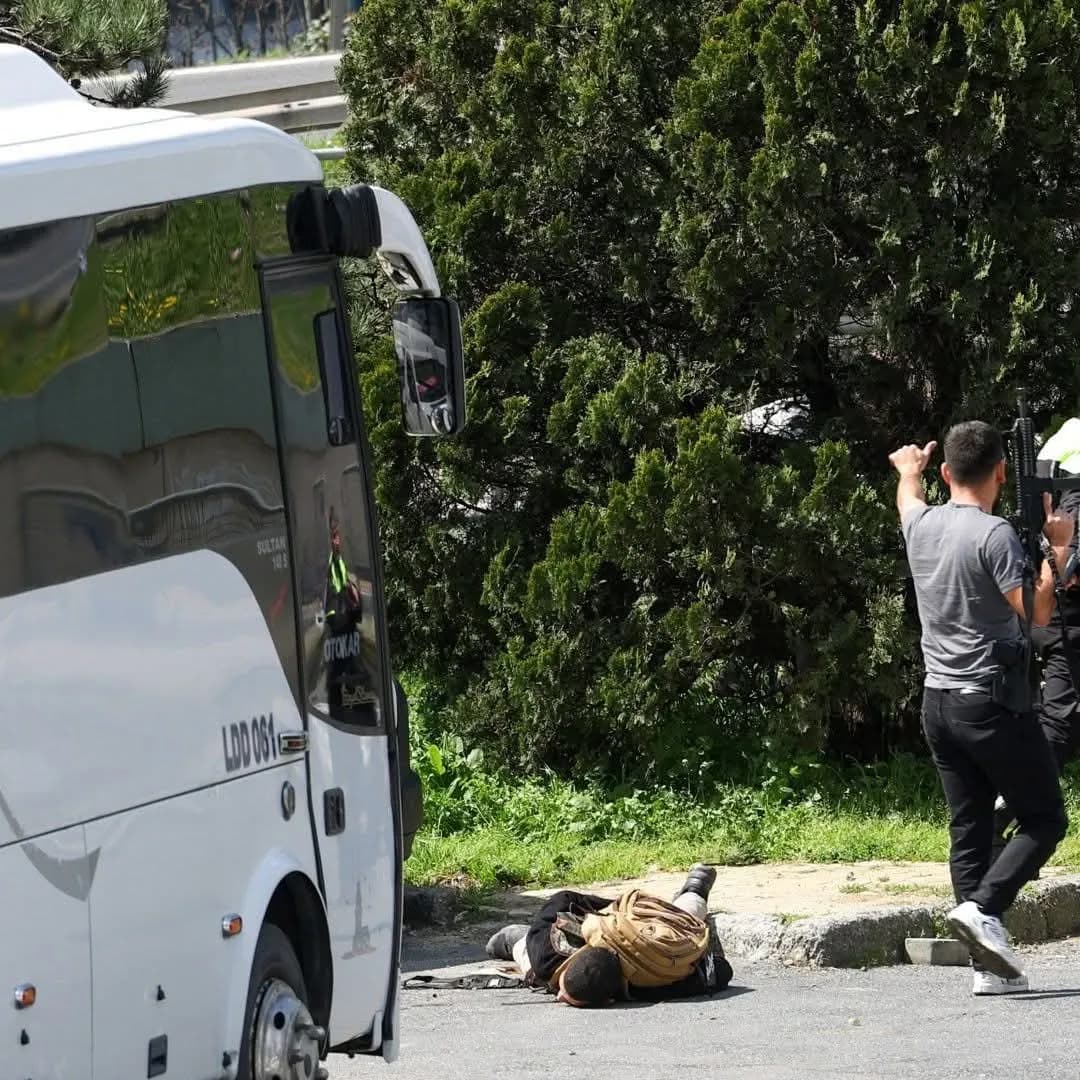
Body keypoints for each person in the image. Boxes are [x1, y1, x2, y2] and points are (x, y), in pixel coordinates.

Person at [890, 421, 1072, 996]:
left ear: (947, 473)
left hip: (937, 702)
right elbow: (1036, 615)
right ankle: (985, 908)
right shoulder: (994, 536)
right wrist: (1060, 547)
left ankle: (985, 968)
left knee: (968, 827)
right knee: (1045, 819)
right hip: (990, 703)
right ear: (1000, 472)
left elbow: (908, 499)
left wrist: (907, 472)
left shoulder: (921, 524)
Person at [485, 864, 732, 1007]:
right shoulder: (648, 988)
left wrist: (619, 913)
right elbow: (563, 899)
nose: (559, 996)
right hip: (648, 924)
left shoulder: (547, 958)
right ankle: (695, 887)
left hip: (645, 921)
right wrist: (616, 909)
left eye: (563, 994)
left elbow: (719, 971)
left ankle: (515, 939)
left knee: (533, 966)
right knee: (673, 920)